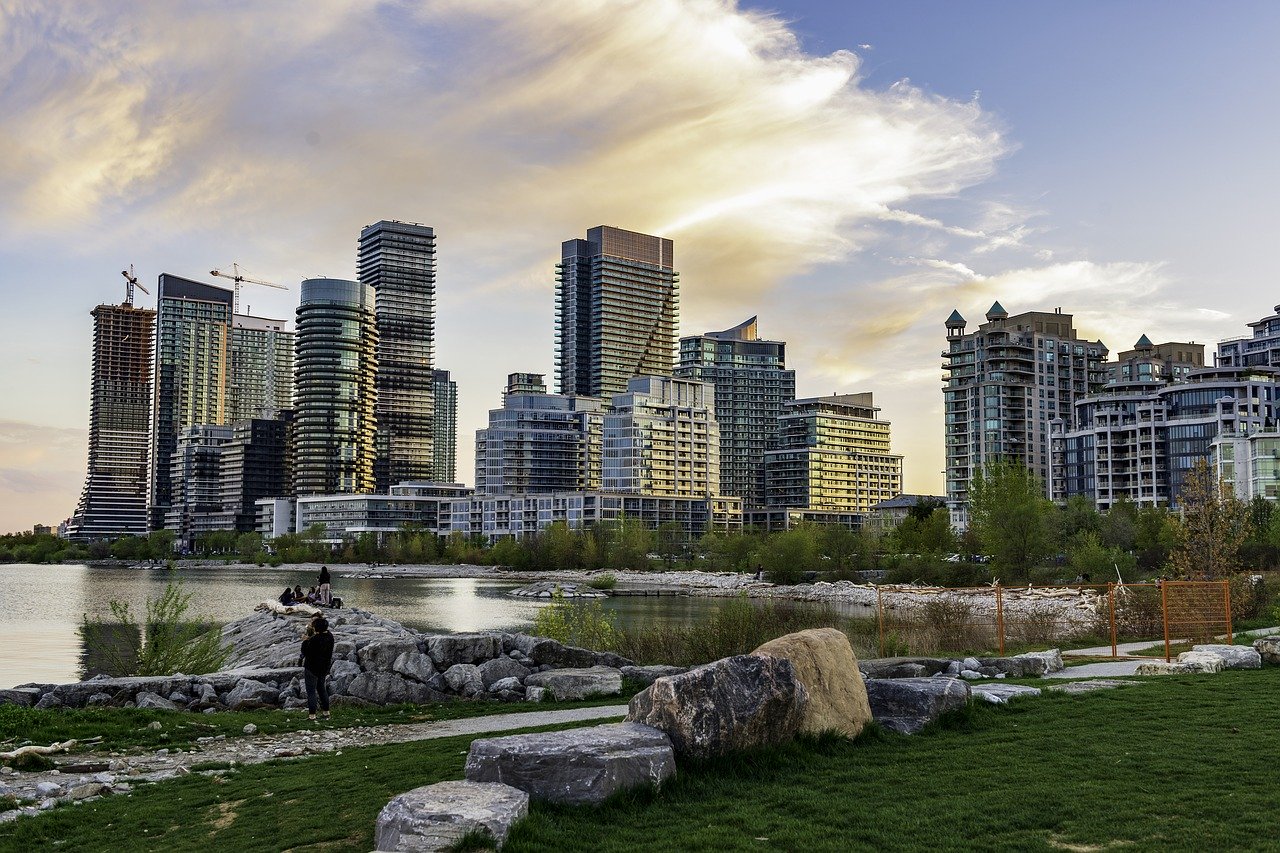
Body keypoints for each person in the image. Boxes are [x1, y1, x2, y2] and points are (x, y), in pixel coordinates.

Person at [298, 615, 335, 721]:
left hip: (312, 668)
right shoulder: (330, 636)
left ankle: (312, 715)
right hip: (324, 667)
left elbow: (306, 652)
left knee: (311, 691)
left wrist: (305, 640)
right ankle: (326, 712)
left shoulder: (314, 639)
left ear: (316, 628)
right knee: (322, 689)